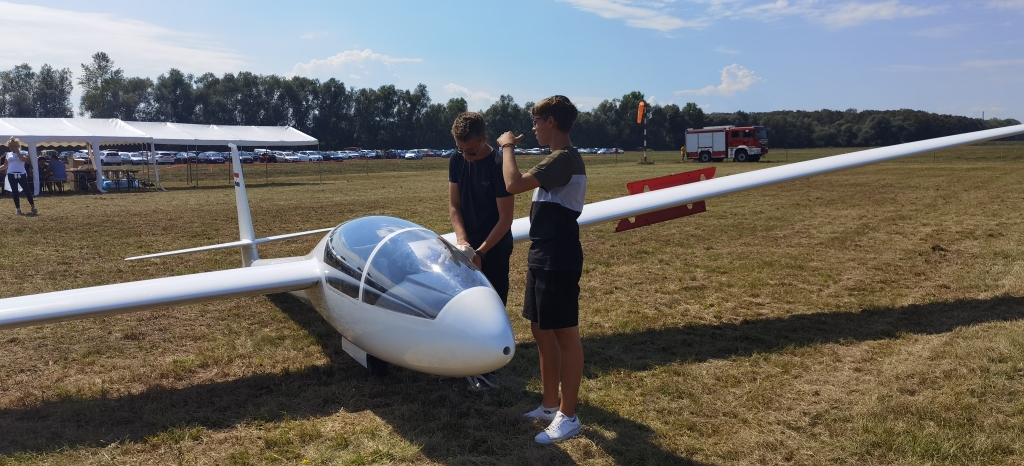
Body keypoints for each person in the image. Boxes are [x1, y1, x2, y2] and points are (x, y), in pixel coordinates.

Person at [496, 95, 586, 444]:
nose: (533, 128)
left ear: (551, 121)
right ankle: (550, 406)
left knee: (565, 334)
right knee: (540, 329)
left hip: (558, 256)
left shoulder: (564, 159)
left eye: (536, 122)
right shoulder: (556, 159)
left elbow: (513, 184)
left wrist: (507, 147)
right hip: (543, 253)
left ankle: (569, 416)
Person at [448, 111, 515, 390]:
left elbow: (506, 218)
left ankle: (487, 367)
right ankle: (463, 358)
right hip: (468, 246)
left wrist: (482, 253)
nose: (466, 156)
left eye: (471, 151)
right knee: (464, 303)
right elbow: (454, 205)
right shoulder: (456, 160)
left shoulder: (498, 165)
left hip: (495, 247)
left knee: (493, 304)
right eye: (460, 150)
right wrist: (463, 241)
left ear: (484, 139)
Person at [1, 137, 38, 216]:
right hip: (11, 174)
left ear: (18, 145)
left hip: (21, 174)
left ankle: (33, 206)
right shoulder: (8, 154)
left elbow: (24, 160)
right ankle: (18, 208)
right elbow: (5, 165)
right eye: (10, 146)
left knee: (27, 190)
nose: (12, 148)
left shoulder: (23, 152)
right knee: (15, 192)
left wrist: (18, 152)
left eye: (14, 146)